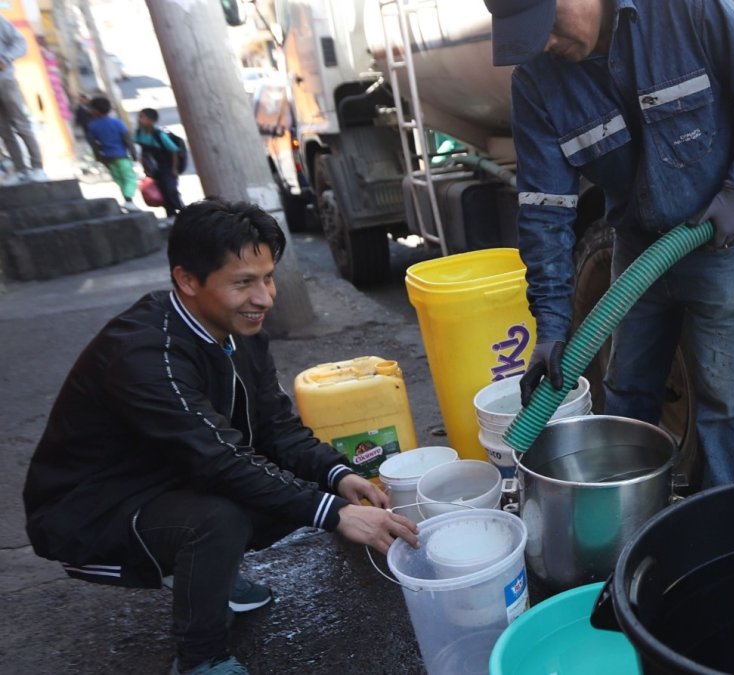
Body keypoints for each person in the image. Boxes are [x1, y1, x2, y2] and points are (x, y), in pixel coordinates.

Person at [23, 199, 420, 675]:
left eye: (268, 276)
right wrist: (333, 514)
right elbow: (218, 460)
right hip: (90, 511)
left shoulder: (242, 330)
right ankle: (200, 658)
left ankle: (212, 576)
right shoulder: (146, 354)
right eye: (243, 283)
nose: (265, 298)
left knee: (288, 493)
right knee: (218, 518)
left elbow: (276, 427)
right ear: (188, 280)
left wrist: (337, 477)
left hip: (168, 476)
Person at [486, 0, 734, 488]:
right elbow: (546, 210)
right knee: (626, 392)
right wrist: (551, 328)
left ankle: (720, 532)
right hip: (637, 251)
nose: (544, 44)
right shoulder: (536, 80)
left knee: (725, 403)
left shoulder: (685, 10)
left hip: (716, 247)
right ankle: (632, 524)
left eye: (546, 26)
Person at [0, 15, 47, 184]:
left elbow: (20, 42)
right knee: (4, 130)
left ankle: (38, 168)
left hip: (5, 80)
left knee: (21, 124)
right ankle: (20, 170)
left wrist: (6, 58)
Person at [85, 95, 139, 210]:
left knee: (118, 178)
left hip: (107, 157)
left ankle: (127, 200)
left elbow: (93, 144)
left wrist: (99, 157)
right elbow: (127, 139)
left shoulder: (93, 126)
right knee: (129, 178)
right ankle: (129, 199)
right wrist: (134, 154)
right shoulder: (117, 123)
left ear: (95, 110)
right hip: (121, 156)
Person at [136, 107, 186, 218]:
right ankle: (171, 214)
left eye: (142, 117)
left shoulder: (159, 135)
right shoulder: (140, 133)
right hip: (154, 169)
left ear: (151, 120)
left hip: (166, 167)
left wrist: (174, 168)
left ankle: (182, 212)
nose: (139, 119)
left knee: (170, 190)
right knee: (162, 191)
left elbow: (173, 151)